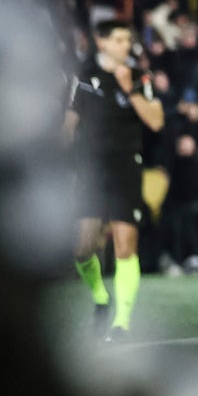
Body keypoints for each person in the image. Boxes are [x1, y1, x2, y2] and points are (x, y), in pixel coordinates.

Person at [67, 18, 163, 338]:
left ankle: (121, 322)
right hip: (91, 170)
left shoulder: (139, 76)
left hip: (125, 168)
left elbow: (156, 121)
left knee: (125, 246)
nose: (126, 46)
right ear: (102, 42)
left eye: (128, 40)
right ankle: (100, 297)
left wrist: (130, 89)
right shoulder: (84, 76)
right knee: (82, 248)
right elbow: (69, 122)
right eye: (119, 40)